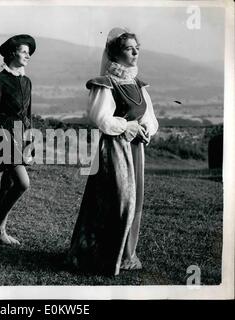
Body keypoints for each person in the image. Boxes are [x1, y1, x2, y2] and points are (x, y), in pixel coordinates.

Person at [67, 28, 158, 275]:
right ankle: (100, 256)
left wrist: (146, 129)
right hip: (115, 149)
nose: (136, 51)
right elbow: (100, 118)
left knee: (134, 200)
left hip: (136, 148)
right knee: (118, 200)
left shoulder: (139, 85)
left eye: (137, 47)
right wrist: (128, 126)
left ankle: (127, 255)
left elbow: (149, 116)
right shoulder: (105, 84)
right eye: (130, 48)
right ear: (117, 53)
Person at [0, 34, 36, 245]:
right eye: (24, 51)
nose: (28, 56)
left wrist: (30, 144)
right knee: (23, 183)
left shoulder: (27, 81)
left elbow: (28, 115)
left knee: (8, 183)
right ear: (12, 53)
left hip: (21, 136)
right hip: (4, 136)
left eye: (29, 53)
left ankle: (0, 231)